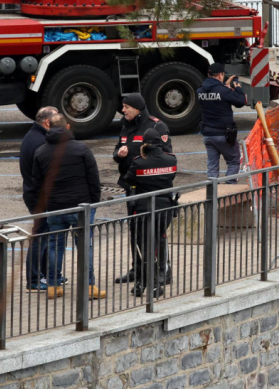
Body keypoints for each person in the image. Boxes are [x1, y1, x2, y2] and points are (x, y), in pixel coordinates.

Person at [27, 113, 106, 300]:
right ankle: (88, 287)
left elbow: (37, 183)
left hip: (55, 207)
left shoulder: (41, 152)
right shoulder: (81, 149)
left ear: (49, 127)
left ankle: (53, 287)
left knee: (55, 246)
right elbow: (93, 179)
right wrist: (93, 202)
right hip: (81, 207)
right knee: (84, 247)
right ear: (68, 127)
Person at [113, 93, 171, 285]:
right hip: (132, 188)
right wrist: (120, 155)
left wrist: (141, 160)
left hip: (152, 189)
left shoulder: (156, 126)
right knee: (135, 229)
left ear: (136, 107)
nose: (123, 110)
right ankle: (138, 268)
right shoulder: (126, 126)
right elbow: (116, 152)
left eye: (126, 107)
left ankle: (163, 270)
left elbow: (165, 155)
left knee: (157, 230)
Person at [124, 129, 178, 298]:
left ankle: (151, 284)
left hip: (143, 209)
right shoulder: (171, 159)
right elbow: (171, 177)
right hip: (165, 208)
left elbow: (129, 179)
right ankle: (148, 282)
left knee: (144, 245)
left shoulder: (139, 162)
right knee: (156, 242)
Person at [19, 106, 59, 291]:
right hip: (40, 197)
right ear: (47, 122)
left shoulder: (33, 135)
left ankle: (45, 275)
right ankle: (34, 279)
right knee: (40, 237)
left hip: (35, 195)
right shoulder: (40, 142)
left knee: (44, 235)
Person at [196, 63, 248, 183]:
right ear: (220, 75)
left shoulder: (200, 90)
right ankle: (228, 190)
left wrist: (224, 87)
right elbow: (240, 101)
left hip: (208, 134)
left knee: (212, 166)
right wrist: (237, 87)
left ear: (208, 74)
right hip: (224, 134)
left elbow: (215, 95)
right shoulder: (224, 91)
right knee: (233, 161)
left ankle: (213, 193)